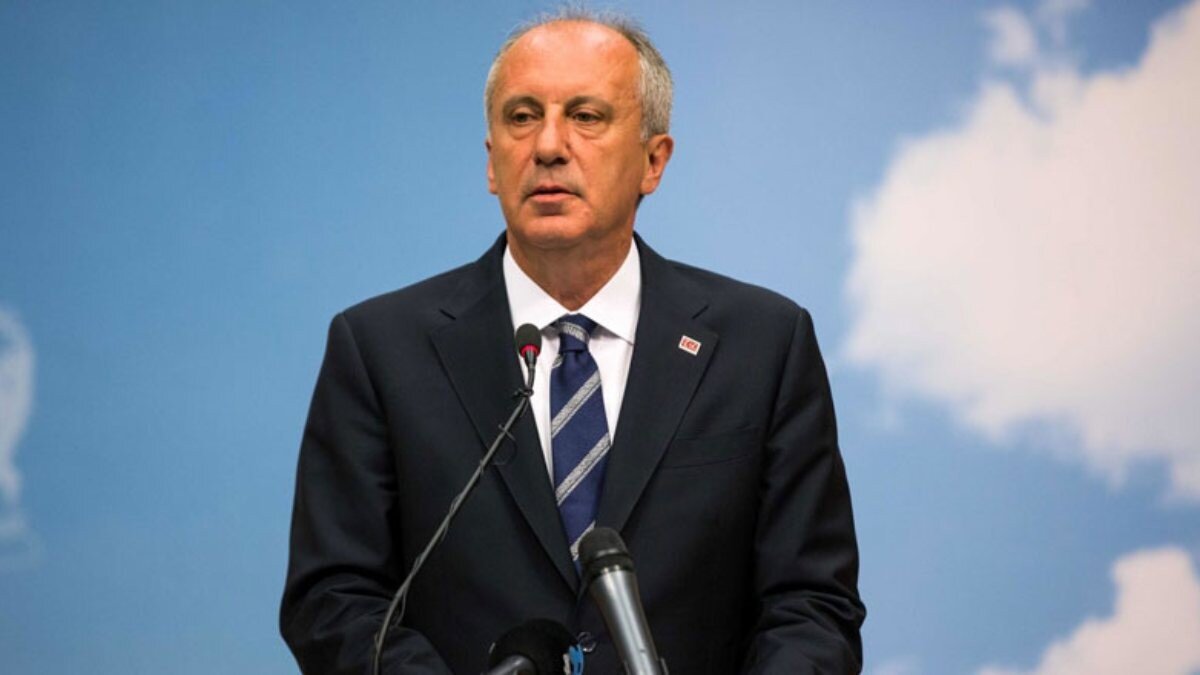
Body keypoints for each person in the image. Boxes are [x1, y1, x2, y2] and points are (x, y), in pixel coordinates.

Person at [281, 9, 864, 674]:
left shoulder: (763, 344)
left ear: (653, 160)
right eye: (522, 117)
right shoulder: (381, 349)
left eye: (586, 116)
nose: (549, 145)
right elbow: (334, 599)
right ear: (492, 162)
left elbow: (811, 604)